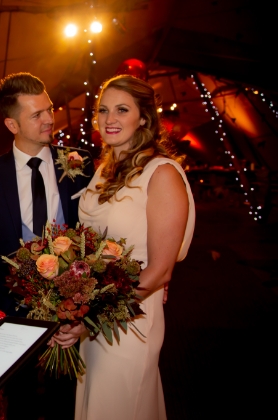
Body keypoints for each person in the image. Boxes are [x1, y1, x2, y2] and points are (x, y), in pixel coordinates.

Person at [0, 72, 94, 419]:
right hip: (12, 311)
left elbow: (96, 234)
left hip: (71, 311)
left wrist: (83, 310)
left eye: (49, 109)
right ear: (12, 124)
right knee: (20, 402)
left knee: (64, 401)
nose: (49, 119)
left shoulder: (81, 163)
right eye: (37, 114)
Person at [75, 74, 196, 420]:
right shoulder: (103, 171)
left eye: (122, 110)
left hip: (131, 319)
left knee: (120, 404)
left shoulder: (162, 174)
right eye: (103, 110)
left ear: (143, 118)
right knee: (94, 401)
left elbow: (160, 270)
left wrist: (92, 317)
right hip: (94, 314)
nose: (109, 119)